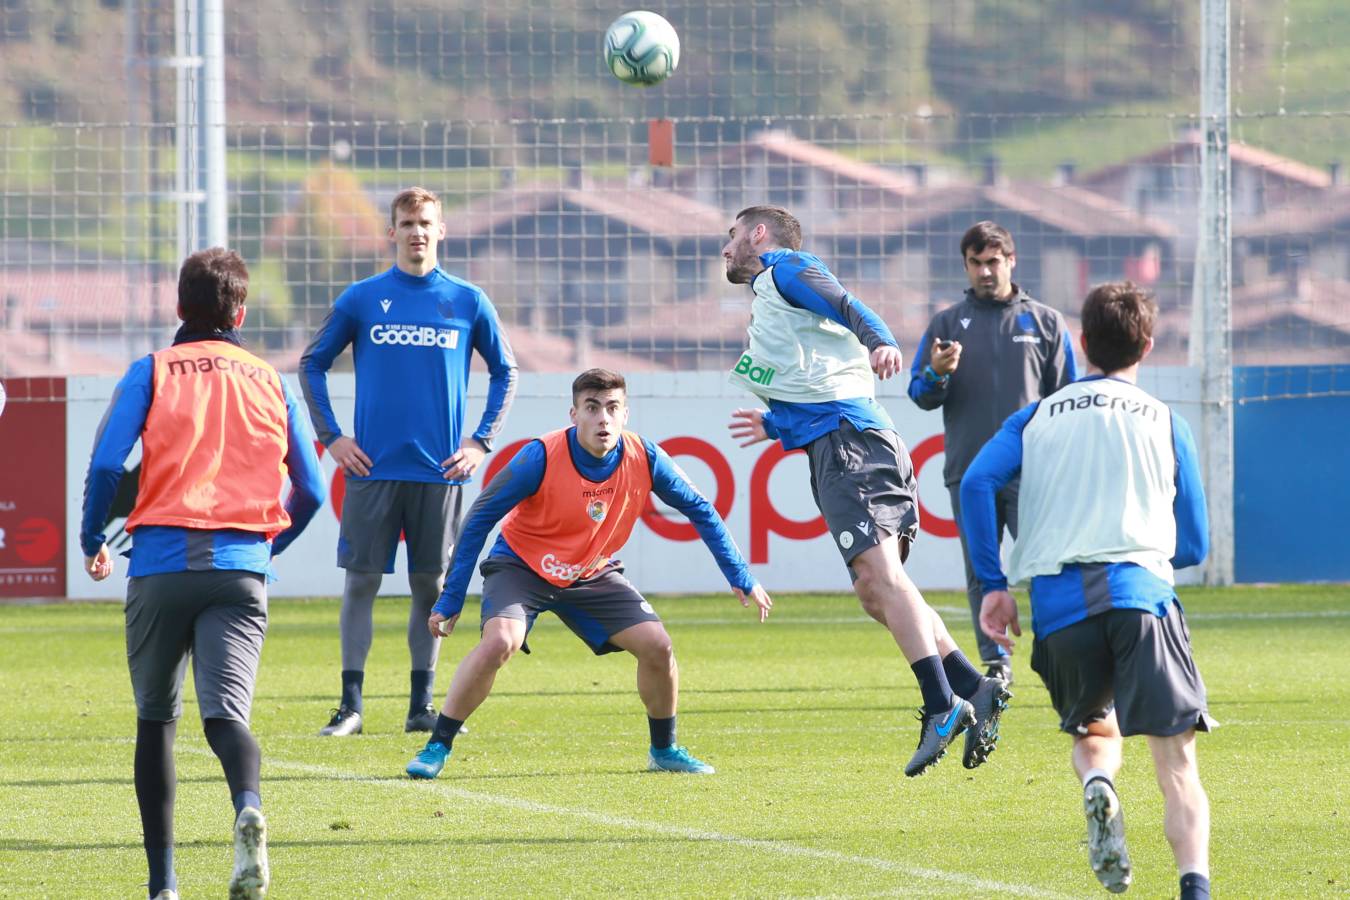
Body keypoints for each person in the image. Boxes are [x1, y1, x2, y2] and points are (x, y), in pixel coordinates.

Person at [721, 205, 1010, 777]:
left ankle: (939, 706)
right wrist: (776, 424)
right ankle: (974, 688)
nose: (725, 249)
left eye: (731, 237)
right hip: (847, 442)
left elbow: (849, 305)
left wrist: (881, 339)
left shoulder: (785, 267)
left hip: (851, 445)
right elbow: (823, 373)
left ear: (758, 233)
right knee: (876, 591)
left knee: (883, 580)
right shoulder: (775, 297)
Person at [80, 248, 326, 900]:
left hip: (162, 566)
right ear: (240, 311)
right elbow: (314, 491)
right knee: (226, 718)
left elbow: (109, 465)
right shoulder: (271, 381)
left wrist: (89, 536)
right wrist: (268, 548)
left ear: (179, 308)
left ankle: (163, 885)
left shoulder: (153, 370)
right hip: (241, 569)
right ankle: (247, 804)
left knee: (157, 720)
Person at [961, 282, 1214, 898]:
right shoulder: (1166, 420)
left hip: (1059, 606)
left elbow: (975, 484)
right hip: (1141, 597)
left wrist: (994, 585)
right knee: (1176, 761)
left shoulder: (1033, 417)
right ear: (1147, 346)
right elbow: (1197, 546)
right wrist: (1150, 553)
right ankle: (1194, 887)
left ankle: (1097, 784)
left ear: (1080, 343)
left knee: (1096, 733)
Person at [404, 368, 773, 779]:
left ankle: (664, 750)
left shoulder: (645, 457)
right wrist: (452, 597)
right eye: (592, 408)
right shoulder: (539, 456)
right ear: (574, 413)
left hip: (592, 571)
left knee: (658, 646)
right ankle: (437, 745)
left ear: (626, 414)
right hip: (522, 566)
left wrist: (741, 575)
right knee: (500, 643)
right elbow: (479, 517)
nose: (603, 419)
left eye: (612, 408)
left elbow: (701, 509)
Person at [300, 186, 517, 737]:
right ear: (390, 233)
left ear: (440, 230)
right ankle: (350, 707)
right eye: (407, 223)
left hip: (439, 473)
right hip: (371, 471)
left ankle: (421, 707)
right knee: (361, 584)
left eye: (426, 222)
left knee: (431, 588)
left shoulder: (467, 300)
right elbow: (312, 364)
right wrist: (333, 438)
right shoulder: (362, 299)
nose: (417, 232)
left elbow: (506, 372)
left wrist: (479, 442)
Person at [908, 221, 1077, 684]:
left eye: (993, 261)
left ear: (1011, 261)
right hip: (968, 470)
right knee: (981, 568)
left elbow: (1068, 398)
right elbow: (920, 393)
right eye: (976, 262)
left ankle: (1056, 647)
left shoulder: (1046, 322)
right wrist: (938, 373)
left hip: (1033, 470)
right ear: (966, 265)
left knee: (1047, 562)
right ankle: (996, 659)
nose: (985, 271)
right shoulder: (946, 324)